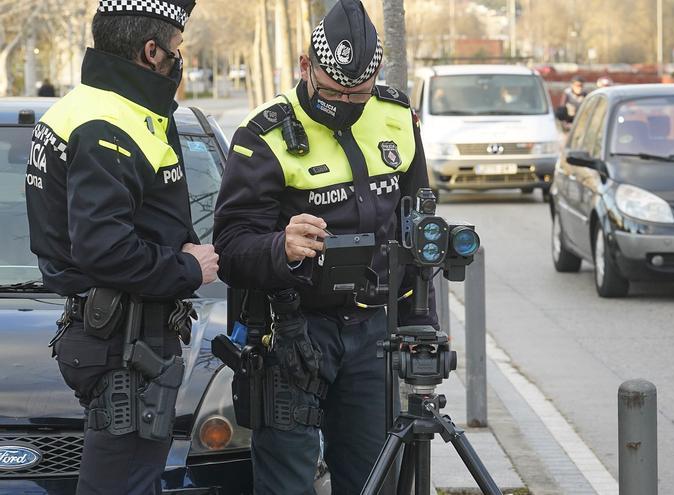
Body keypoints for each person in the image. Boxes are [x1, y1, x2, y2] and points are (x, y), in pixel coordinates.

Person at [212, 0, 437, 493]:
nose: (345, 105)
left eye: (358, 94)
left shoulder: (397, 116)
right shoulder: (264, 133)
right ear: (304, 66)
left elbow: (420, 231)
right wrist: (281, 246)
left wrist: (421, 322)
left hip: (374, 329)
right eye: (332, 92)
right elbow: (228, 248)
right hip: (294, 333)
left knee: (371, 480)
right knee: (287, 481)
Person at [24, 1, 217, 494]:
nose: (180, 61)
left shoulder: (89, 106)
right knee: (123, 485)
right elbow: (105, 250)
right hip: (124, 346)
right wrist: (187, 268)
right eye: (176, 50)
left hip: (117, 336)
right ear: (151, 52)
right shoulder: (111, 123)